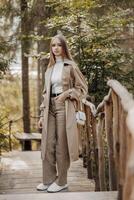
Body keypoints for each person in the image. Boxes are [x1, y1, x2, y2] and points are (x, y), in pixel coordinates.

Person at [36, 34, 88, 193]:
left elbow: (83, 90)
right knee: (47, 144)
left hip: (64, 108)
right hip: (49, 108)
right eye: (53, 45)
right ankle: (49, 179)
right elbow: (45, 93)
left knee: (61, 146)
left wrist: (67, 93)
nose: (56, 48)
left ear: (64, 47)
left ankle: (62, 181)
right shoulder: (49, 68)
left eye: (59, 45)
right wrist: (41, 114)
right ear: (51, 48)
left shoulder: (71, 66)